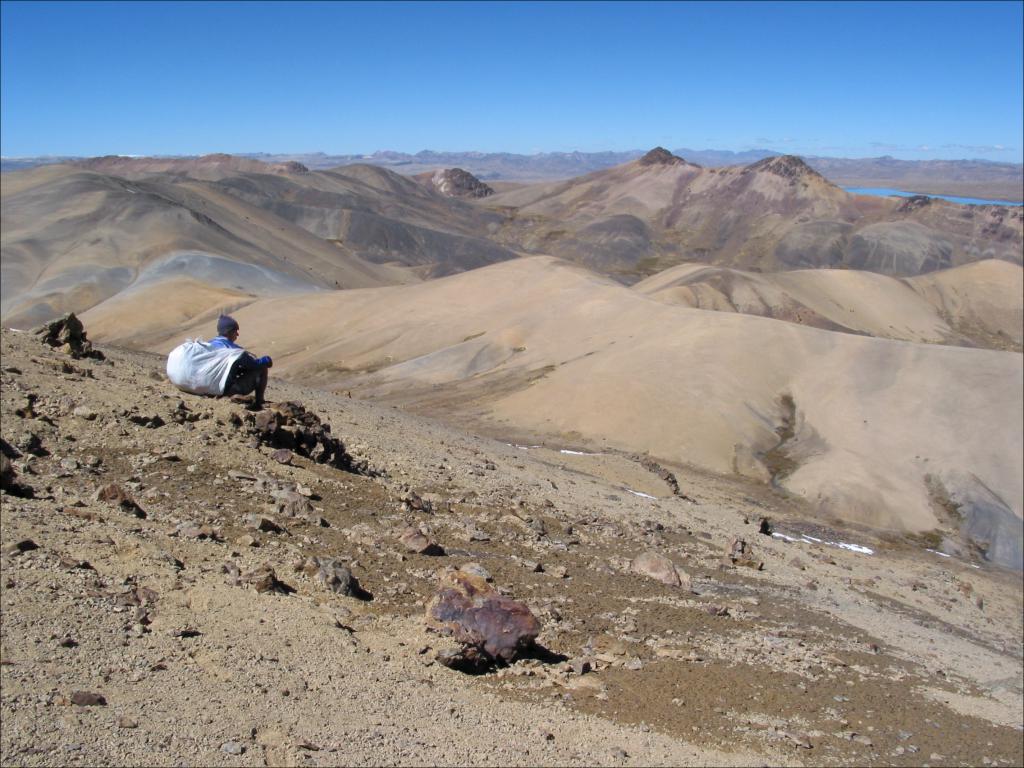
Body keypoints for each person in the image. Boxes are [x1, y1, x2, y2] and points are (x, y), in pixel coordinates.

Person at [209, 314, 273, 408]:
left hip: (207, 387)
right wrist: (266, 360)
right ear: (229, 332)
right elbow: (252, 364)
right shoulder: (233, 350)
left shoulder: (208, 345)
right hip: (224, 390)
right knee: (262, 368)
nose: (237, 334)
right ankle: (260, 402)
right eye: (236, 331)